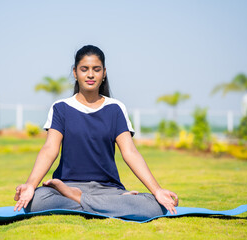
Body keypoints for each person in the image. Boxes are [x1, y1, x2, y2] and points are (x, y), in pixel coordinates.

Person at [13, 45, 178, 220]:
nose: (90, 75)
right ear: (75, 72)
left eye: (96, 69)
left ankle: (79, 199)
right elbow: (49, 149)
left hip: (108, 189)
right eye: (84, 69)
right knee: (37, 200)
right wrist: (30, 185)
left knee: (153, 206)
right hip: (66, 186)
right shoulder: (61, 108)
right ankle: (109, 205)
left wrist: (157, 190)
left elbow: (130, 152)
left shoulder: (115, 108)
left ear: (104, 73)